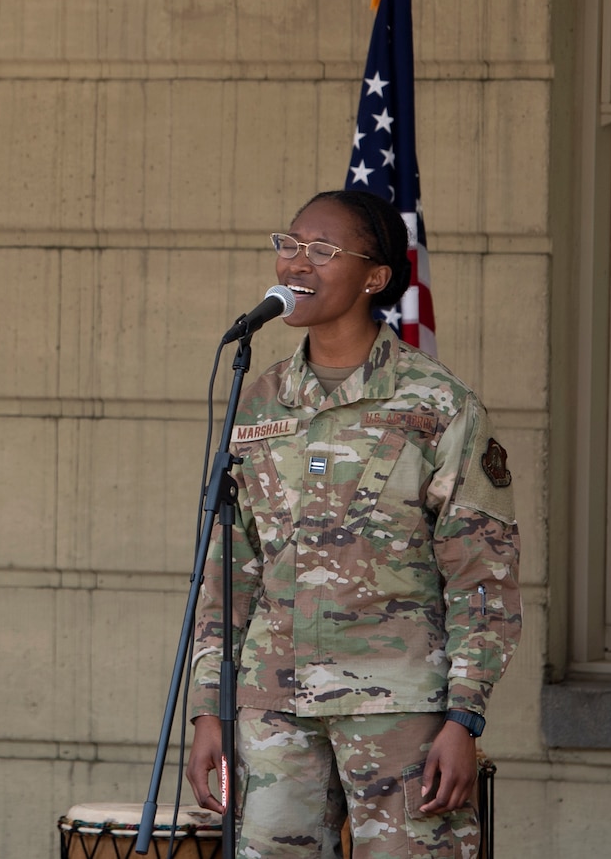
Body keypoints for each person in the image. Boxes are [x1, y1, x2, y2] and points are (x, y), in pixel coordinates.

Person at [182, 191, 521, 859]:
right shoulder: (256, 398)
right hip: (272, 701)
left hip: (398, 705)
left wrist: (463, 715)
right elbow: (229, 569)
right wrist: (207, 707)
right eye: (289, 243)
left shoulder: (438, 405)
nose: (296, 263)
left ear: (375, 276)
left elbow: (483, 577)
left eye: (322, 250)